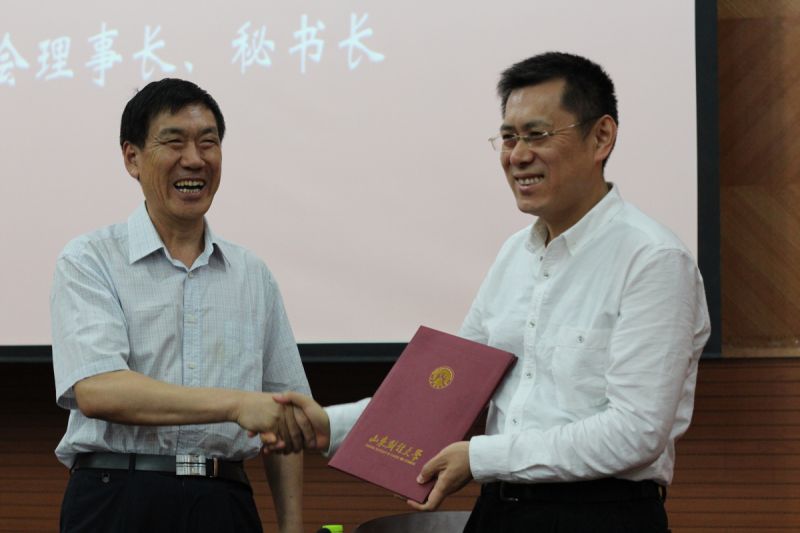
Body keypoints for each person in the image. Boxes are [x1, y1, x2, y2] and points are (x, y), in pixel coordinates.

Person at [265, 52, 710, 533]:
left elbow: (635, 432)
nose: (518, 155)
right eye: (509, 137)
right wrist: (327, 425)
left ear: (601, 136)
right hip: (499, 512)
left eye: (537, 135)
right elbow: (448, 389)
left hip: (602, 514)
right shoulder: (514, 255)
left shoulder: (653, 259)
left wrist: (480, 457)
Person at [50, 78, 310, 533]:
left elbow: (284, 416)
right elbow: (98, 390)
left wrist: (291, 527)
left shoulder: (252, 274)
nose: (194, 159)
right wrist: (235, 404)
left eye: (208, 142)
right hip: (117, 497)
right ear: (132, 158)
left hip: (224, 501)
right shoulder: (90, 259)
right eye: (174, 142)